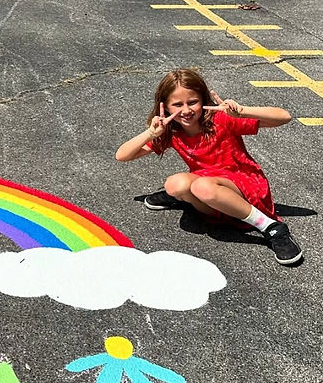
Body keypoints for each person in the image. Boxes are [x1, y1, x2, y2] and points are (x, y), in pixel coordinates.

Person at [115, 69, 301, 265]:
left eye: (192, 102)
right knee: (175, 184)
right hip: (208, 186)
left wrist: (242, 111)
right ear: (166, 107)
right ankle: (188, 198)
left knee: (200, 186)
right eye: (177, 104)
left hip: (245, 186)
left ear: (203, 99)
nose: (186, 111)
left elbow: (284, 116)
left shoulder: (221, 120)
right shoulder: (171, 131)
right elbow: (122, 155)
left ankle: (270, 226)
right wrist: (151, 134)